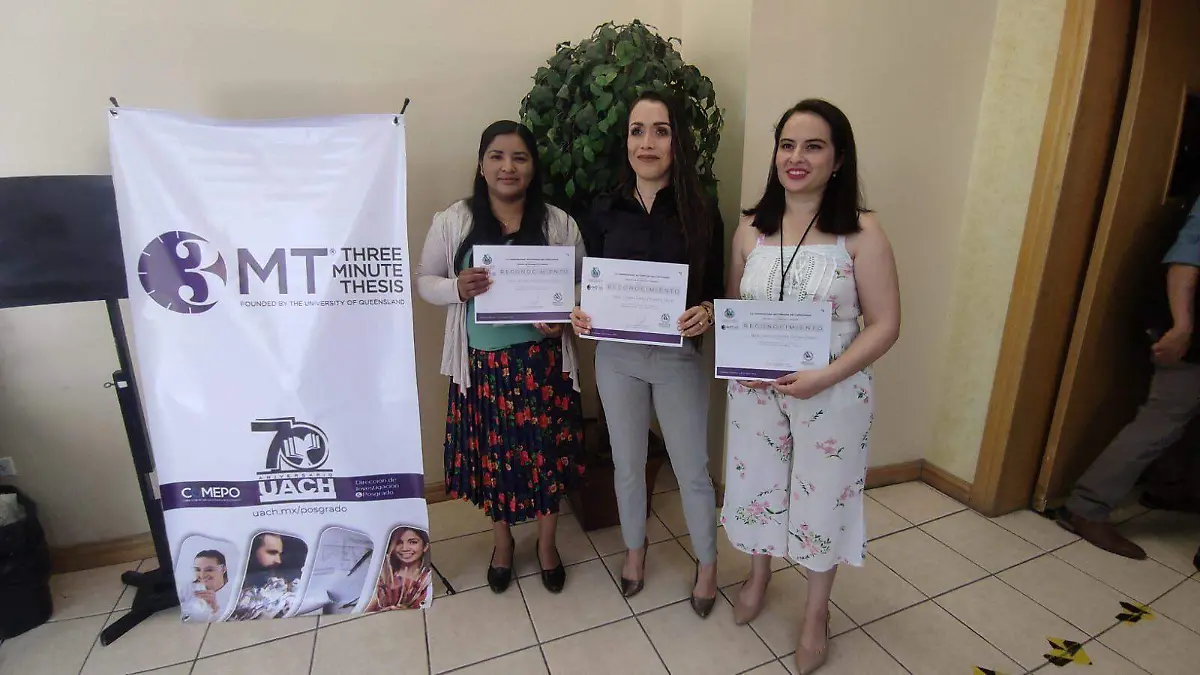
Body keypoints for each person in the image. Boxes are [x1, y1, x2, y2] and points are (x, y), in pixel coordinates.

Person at [720, 99, 900, 674]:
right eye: (787, 145)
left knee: (824, 498)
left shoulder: (862, 232)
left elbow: (886, 325)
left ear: (838, 159)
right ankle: (759, 575)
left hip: (833, 390)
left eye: (814, 146)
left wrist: (825, 375)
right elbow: (734, 310)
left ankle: (816, 613)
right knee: (759, 487)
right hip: (755, 394)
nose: (796, 158)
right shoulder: (751, 228)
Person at [570, 91, 724, 618]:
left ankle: (708, 563)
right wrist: (579, 311)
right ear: (627, 141)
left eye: (660, 130)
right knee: (627, 464)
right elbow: (587, 282)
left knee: (692, 468)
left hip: (678, 358)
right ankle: (635, 550)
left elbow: (717, 290)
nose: (647, 142)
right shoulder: (603, 209)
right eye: (637, 131)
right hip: (617, 358)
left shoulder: (701, 211)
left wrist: (708, 310)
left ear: (677, 141)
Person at [417, 120, 585, 594]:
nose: (508, 167)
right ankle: (503, 543)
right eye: (497, 156)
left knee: (546, 458)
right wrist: (455, 287)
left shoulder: (557, 223)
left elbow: (580, 284)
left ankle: (547, 544)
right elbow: (425, 279)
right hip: (483, 366)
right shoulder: (454, 221)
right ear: (481, 164)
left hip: (543, 365)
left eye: (519, 157)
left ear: (532, 167)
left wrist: (564, 315)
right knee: (495, 461)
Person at [1057, 194, 1200, 559]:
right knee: (1163, 418)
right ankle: (1086, 507)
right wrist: (1182, 326)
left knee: (1175, 418)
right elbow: (1188, 255)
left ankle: (1170, 488)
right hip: (1186, 327)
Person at [365, 527, 432, 611]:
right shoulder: (382, 576)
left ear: (425, 546)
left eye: (413, 542)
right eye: (399, 542)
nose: (405, 548)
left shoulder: (428, 580)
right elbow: (364, 609)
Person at [180, 550, 230, 621]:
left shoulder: (234, 594)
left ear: (223, 569)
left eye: (209, 570)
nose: (202, 575)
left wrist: (215, 609)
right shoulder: (188, 589)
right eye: (198, 569)